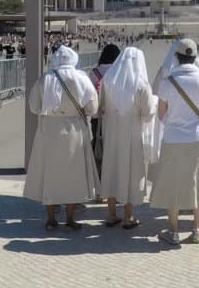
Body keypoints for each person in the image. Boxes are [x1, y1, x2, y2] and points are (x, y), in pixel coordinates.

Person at [149, 40, 199, 246]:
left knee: (173, 184)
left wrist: (175, 121)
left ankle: (173, 230)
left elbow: (161, 114)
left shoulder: (167, 81)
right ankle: (197, 228)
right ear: (195, 57)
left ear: (177, 57)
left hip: (173, 139)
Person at [24, 45, 99, 231]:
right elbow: (93, 107)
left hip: (49, 129)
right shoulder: (81, 78)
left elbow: (33, 106)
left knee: (50, 174)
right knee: (72, 174)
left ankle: (50, 218)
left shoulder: (45, 79)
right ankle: (70, 218)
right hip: (74, 129)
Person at [99, 46, 156, 230]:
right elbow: (148, 114)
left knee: (112, 169)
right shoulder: (141, 85)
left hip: (112, 133)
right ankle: (128, 216)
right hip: (133, 134)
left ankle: (111, 214)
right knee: (131, 172)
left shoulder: (108, 80)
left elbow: (101, 108)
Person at [89, 43, 120, 178]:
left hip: (97, 116)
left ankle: (99, 181)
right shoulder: (119, 72)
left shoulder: (94, 72)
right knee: (114, 151)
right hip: (115, 117)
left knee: (98, 147)